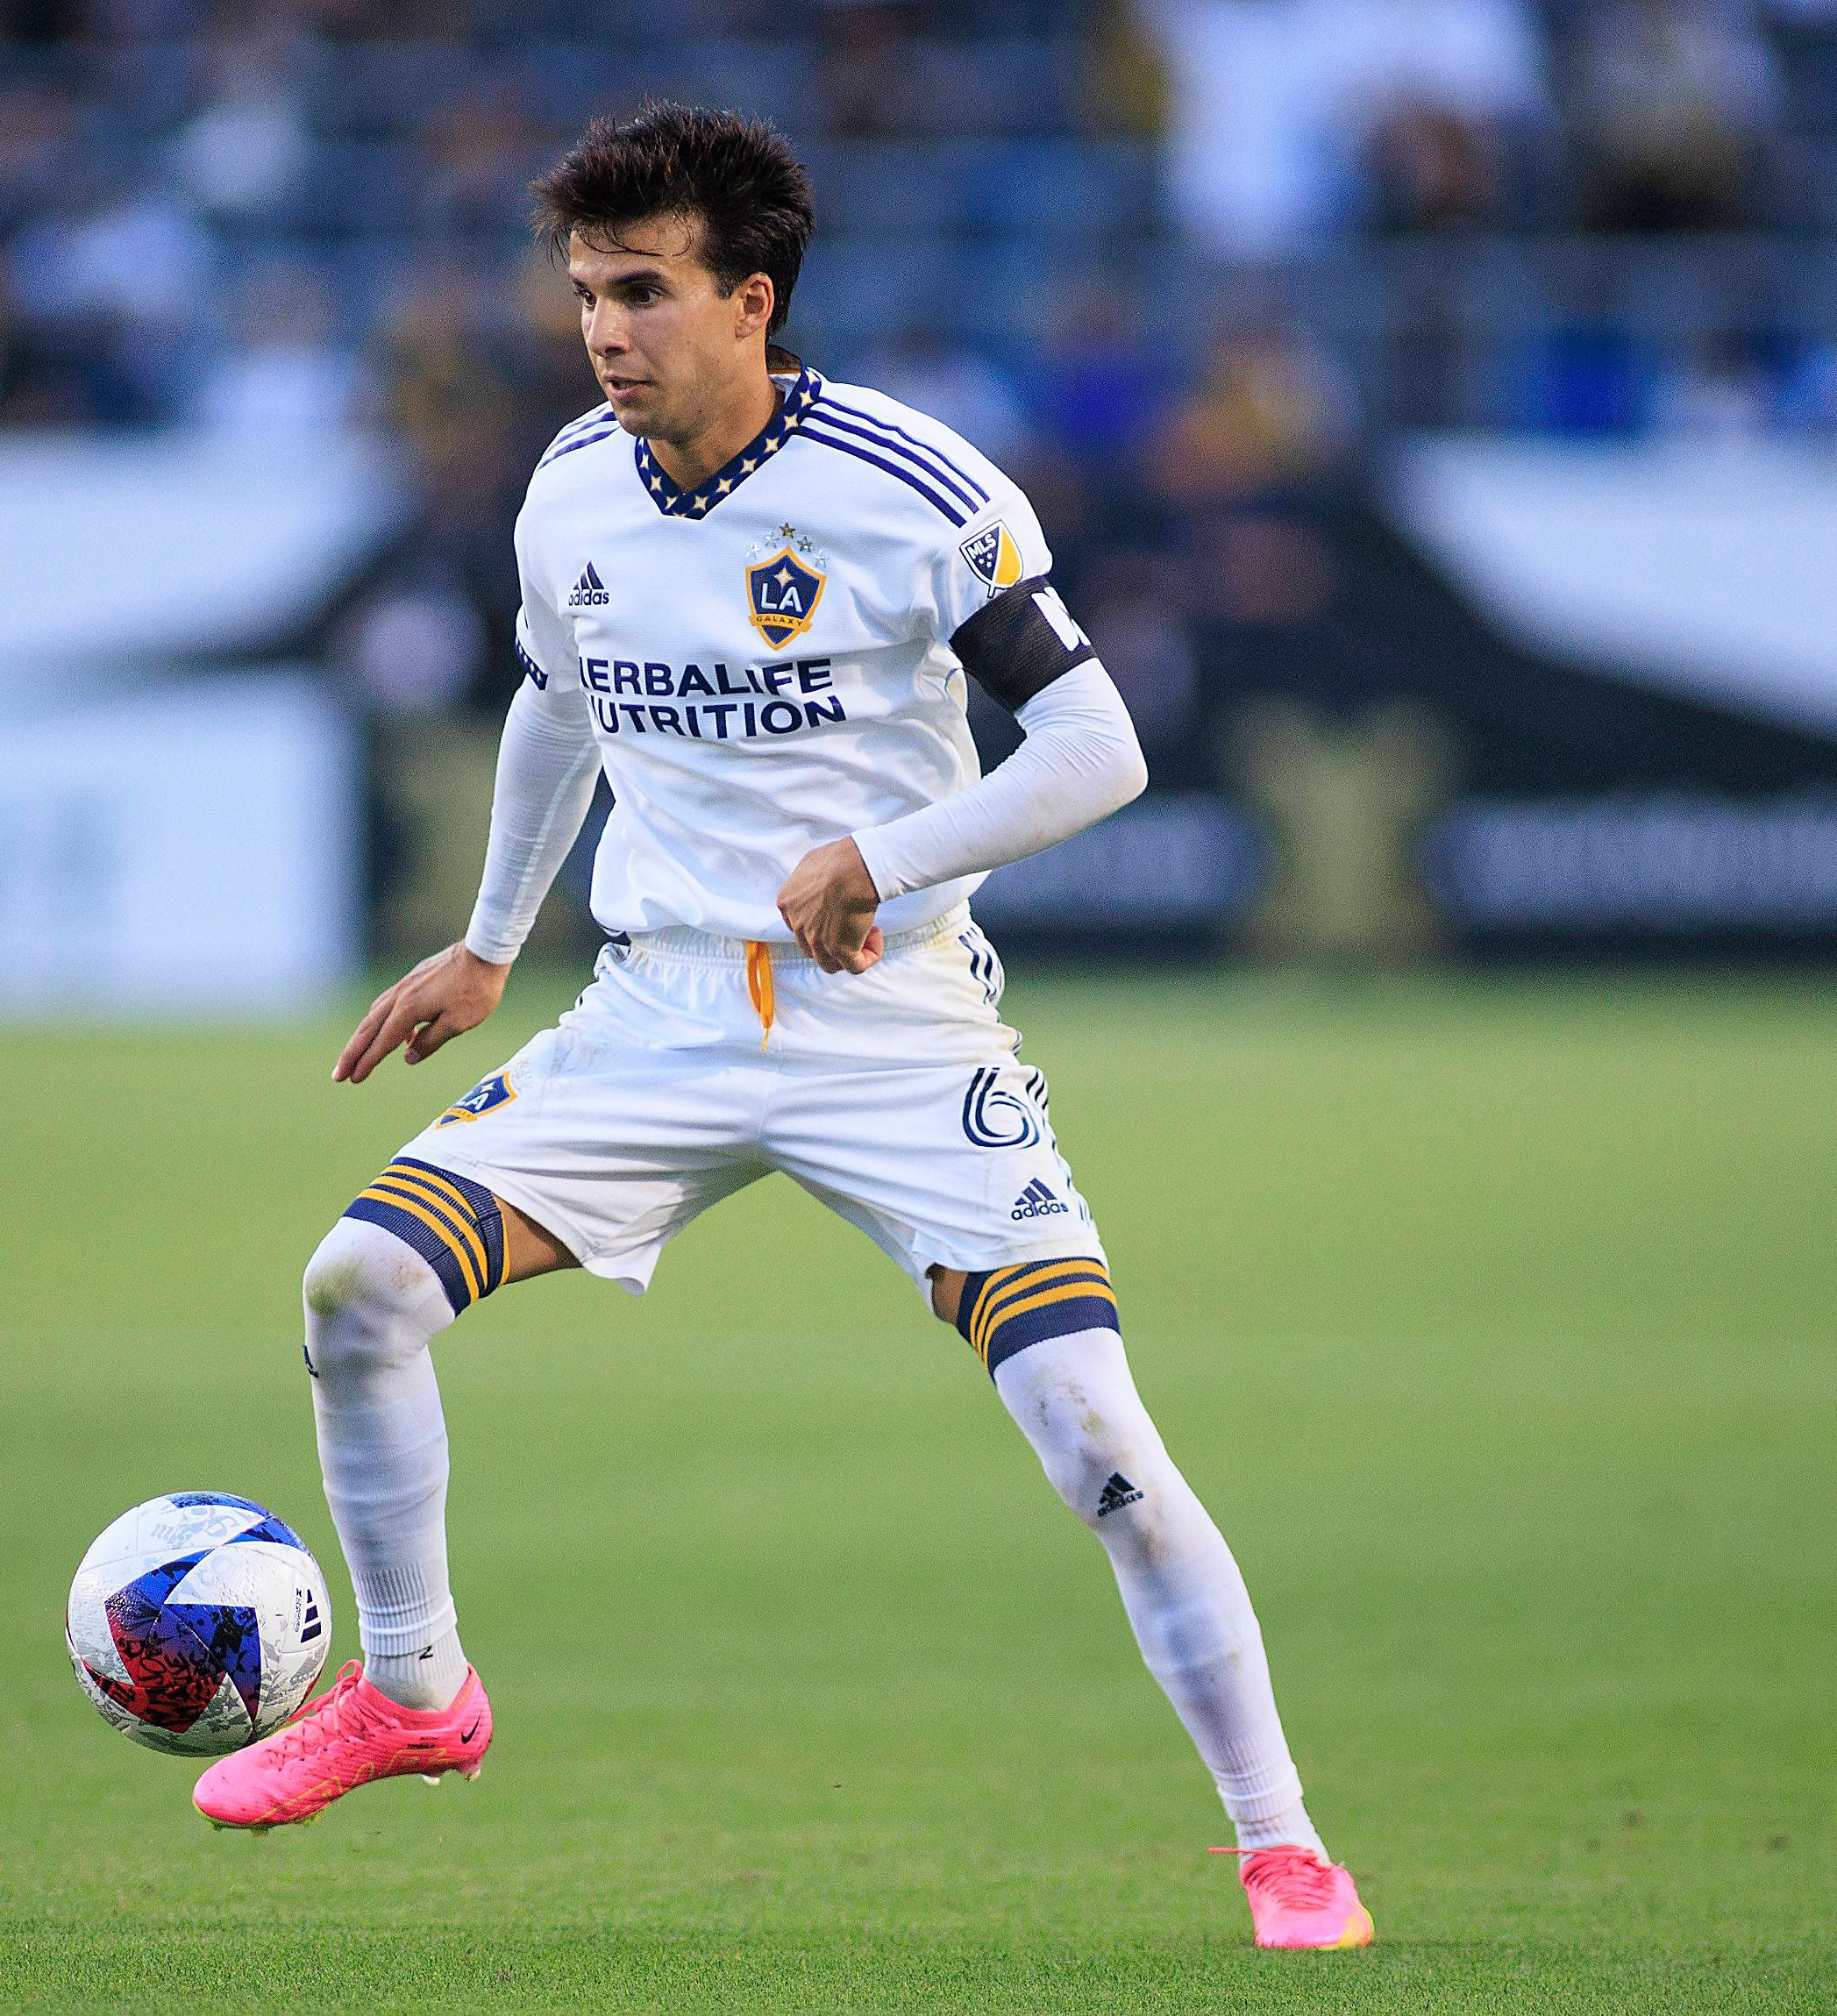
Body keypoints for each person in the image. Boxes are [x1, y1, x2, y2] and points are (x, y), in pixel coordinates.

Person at [189, 103, 1371, 1954]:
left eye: (642, 291)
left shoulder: (913, 489)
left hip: (892, 1026)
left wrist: (888, 856)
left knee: (1096, 1436)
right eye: (585, 291)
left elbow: (1100, 749)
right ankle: (417, 1691)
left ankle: (1284, 1845)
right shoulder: (570, 487)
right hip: (658, 1012)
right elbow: (555, 704)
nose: (602, 328)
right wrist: (493, 943)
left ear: (750, 302)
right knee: (358, 1284)